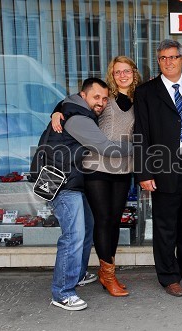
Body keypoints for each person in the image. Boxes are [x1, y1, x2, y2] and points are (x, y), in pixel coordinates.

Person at [41, 78, 132, 310]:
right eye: (96, 97)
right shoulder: (79, 118)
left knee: (88, 229)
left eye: (104, 98)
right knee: (74, 236)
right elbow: (106, 148)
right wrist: (142, 148)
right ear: (83, 96)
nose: (101, 102)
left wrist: (57, 110)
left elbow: (66, 104)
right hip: (64, 183)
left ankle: (78, 274)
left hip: (74, 180)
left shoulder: (75, 109)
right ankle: (62, 292)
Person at [133, 39, 182, 297]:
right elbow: (141, 134)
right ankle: (168, 276)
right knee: (165, 223)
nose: (168, 62)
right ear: (159, 62)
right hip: (165, 165)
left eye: (172, 57)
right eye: (163, 58)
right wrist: (144, 172)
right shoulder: (147, 92)